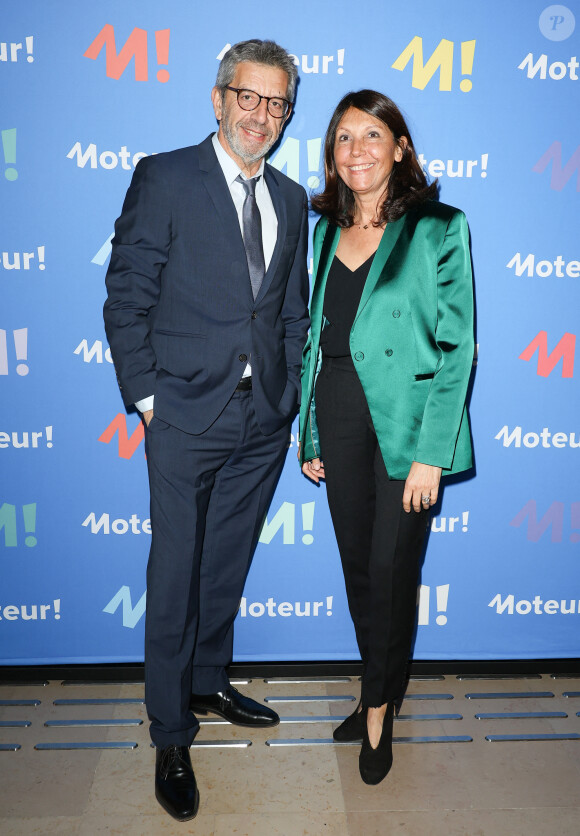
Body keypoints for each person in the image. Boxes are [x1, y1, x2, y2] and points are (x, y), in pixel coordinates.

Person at [104, 40, 309, 822]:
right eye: (249, 98)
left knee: (225, 560)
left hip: (261, 418)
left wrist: (286, 400)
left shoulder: (291, 198)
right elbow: (127, 292)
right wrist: (147, 397)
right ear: (218, 98)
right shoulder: (165, 176)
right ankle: (169, 730)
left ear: (288, 114)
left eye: (277, 104)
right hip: (184, 413)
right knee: (175, 572)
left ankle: (207, 678)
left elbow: (290, 309)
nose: (262, 115)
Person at [299, 90, 474, 785]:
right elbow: (316, 340)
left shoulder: (440, 226)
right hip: (337, 409)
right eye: (343, 138)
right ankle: (379, 685)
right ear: (331, 154)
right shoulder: (322, 232)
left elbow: (456, 347)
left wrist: (433, 451)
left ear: (399, 146)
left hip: (409, 426)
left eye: (372, 135)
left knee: (392, 570)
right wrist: (309, 431)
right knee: (358, 570)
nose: (356, 150)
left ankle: (377, 710)